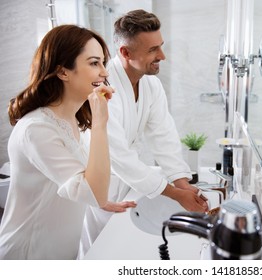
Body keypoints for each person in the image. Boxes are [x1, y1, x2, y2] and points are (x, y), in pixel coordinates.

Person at [0, 25, 137, 259]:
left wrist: (100, 202)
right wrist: (100, 123)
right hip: (28, 255)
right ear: (63, 72)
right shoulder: (37, 129)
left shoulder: (72, 121)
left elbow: (74, 183)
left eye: (103, 62)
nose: (104, 72)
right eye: (94, 63)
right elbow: (93, 191)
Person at [78, 9, 208, 257]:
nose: (162, 56)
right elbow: (116, 154)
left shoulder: (151, 84)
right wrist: (173, 193)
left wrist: (182, 181)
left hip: (129, 183)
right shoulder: (102, 86)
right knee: (100, 253)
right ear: (125, 53)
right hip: (102, 185)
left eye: (161, 46)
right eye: (152, 50)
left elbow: (163, 135)